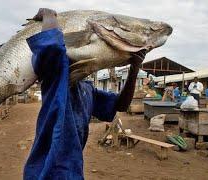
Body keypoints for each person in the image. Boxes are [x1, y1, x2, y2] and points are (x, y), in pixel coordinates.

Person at [23, 8, 146, 179]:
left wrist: (134, 69)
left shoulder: (87, 90)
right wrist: (48, 15)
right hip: (46, 171)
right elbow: (51, 47)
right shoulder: (55, 79)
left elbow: (121, 105)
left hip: (73, 170)